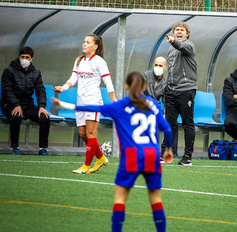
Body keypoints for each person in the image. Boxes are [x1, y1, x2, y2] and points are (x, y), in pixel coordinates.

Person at [53, 72, 173, 232]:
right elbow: (168, 130)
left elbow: (94, 107)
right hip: (151, 154)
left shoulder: (120, 105)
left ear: (126, 86)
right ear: (144, 87)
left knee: (120, 199)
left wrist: (66, 105)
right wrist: (169, 150)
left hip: (131, 155)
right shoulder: (153, 104)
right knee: (156, 200)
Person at [53, 34, 116, 174]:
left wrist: (113, 100)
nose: (84, 44)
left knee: (90, 133)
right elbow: (73, 78)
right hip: (80, 102)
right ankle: (100, 158)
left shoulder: (100, 62)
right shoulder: (79, 60)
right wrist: (63, 88)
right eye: (84, 42)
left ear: (95, 46)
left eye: (88, 42)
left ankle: (86, 165)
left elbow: (108, 82)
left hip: (93, 102)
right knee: (83, 134)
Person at [1, 46, 51, 156]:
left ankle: (42, 149)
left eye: (27, 57)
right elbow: (7, 90)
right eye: (22, 57)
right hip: (9, 104)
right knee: (16, 116)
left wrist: (42, 106)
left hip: (27, 104)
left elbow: (40, 90)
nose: (24, 59)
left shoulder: (36, 72)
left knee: (44, 117)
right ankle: (15, 147)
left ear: (31, 59)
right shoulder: (9, 71)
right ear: (19, 57)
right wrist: (16, 104)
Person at [165, 21, 197, 166]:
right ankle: (166, 154)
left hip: (186, 90)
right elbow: (170, 70)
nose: (179, 32)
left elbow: (181, 46)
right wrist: (166, 88)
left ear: (187, 34)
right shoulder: (171, 50)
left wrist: (173, 41)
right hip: (171, 91)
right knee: (170, 123)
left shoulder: (189, 45)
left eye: (182, 30)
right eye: (176, 30)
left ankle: (187, 157)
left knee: (187, 124)